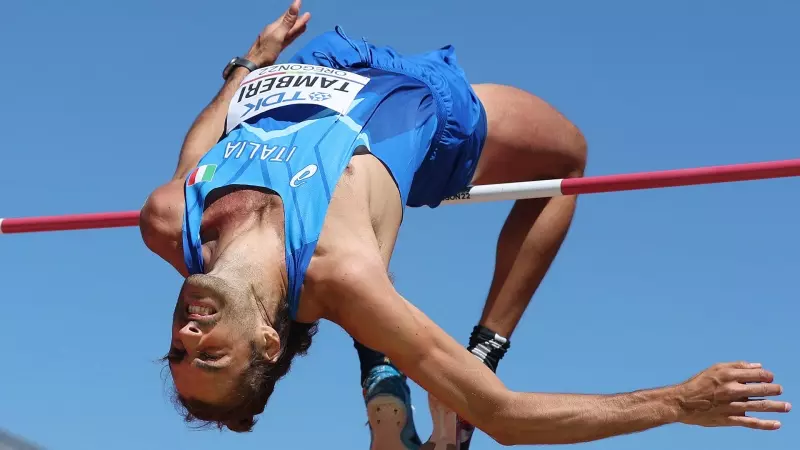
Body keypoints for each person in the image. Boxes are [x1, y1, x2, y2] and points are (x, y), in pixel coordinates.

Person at [139, 1, 791, 447]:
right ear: (267, 341)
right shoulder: (342, 271)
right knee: (568, 159)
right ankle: (476, 347)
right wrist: (677, 402)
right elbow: (502, 416)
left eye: (178, 352)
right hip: (424, 104)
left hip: (303, 73)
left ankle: (382, 376)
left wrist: (250, 62)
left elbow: (202, 140)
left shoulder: (169, 218)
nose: (191, 336)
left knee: (342, 280)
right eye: (211, 355)